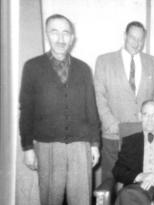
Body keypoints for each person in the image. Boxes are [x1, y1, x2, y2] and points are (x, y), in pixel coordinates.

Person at [19, 14, 100, 205]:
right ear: (47, 34)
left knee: (81, 200)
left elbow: (91, 109)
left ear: (72, 38)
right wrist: (27, 147)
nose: (61, 39)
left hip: (80, 146)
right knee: (50, 199)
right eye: (55, 32)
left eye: (66, 34)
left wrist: (95, 144)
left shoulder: (83, 69)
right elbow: (26, 110)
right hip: (48, 147)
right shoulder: (32, 67)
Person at [94, 21, 154, 182]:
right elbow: (99, 96)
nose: (137, 43)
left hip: (143, 134)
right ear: (125, 36)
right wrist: (111, 124)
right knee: (110, 181)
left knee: (139, 183)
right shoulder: (104, 61)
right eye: (133, 38)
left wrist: (149, 122)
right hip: (113, 134)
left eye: (141, 39)